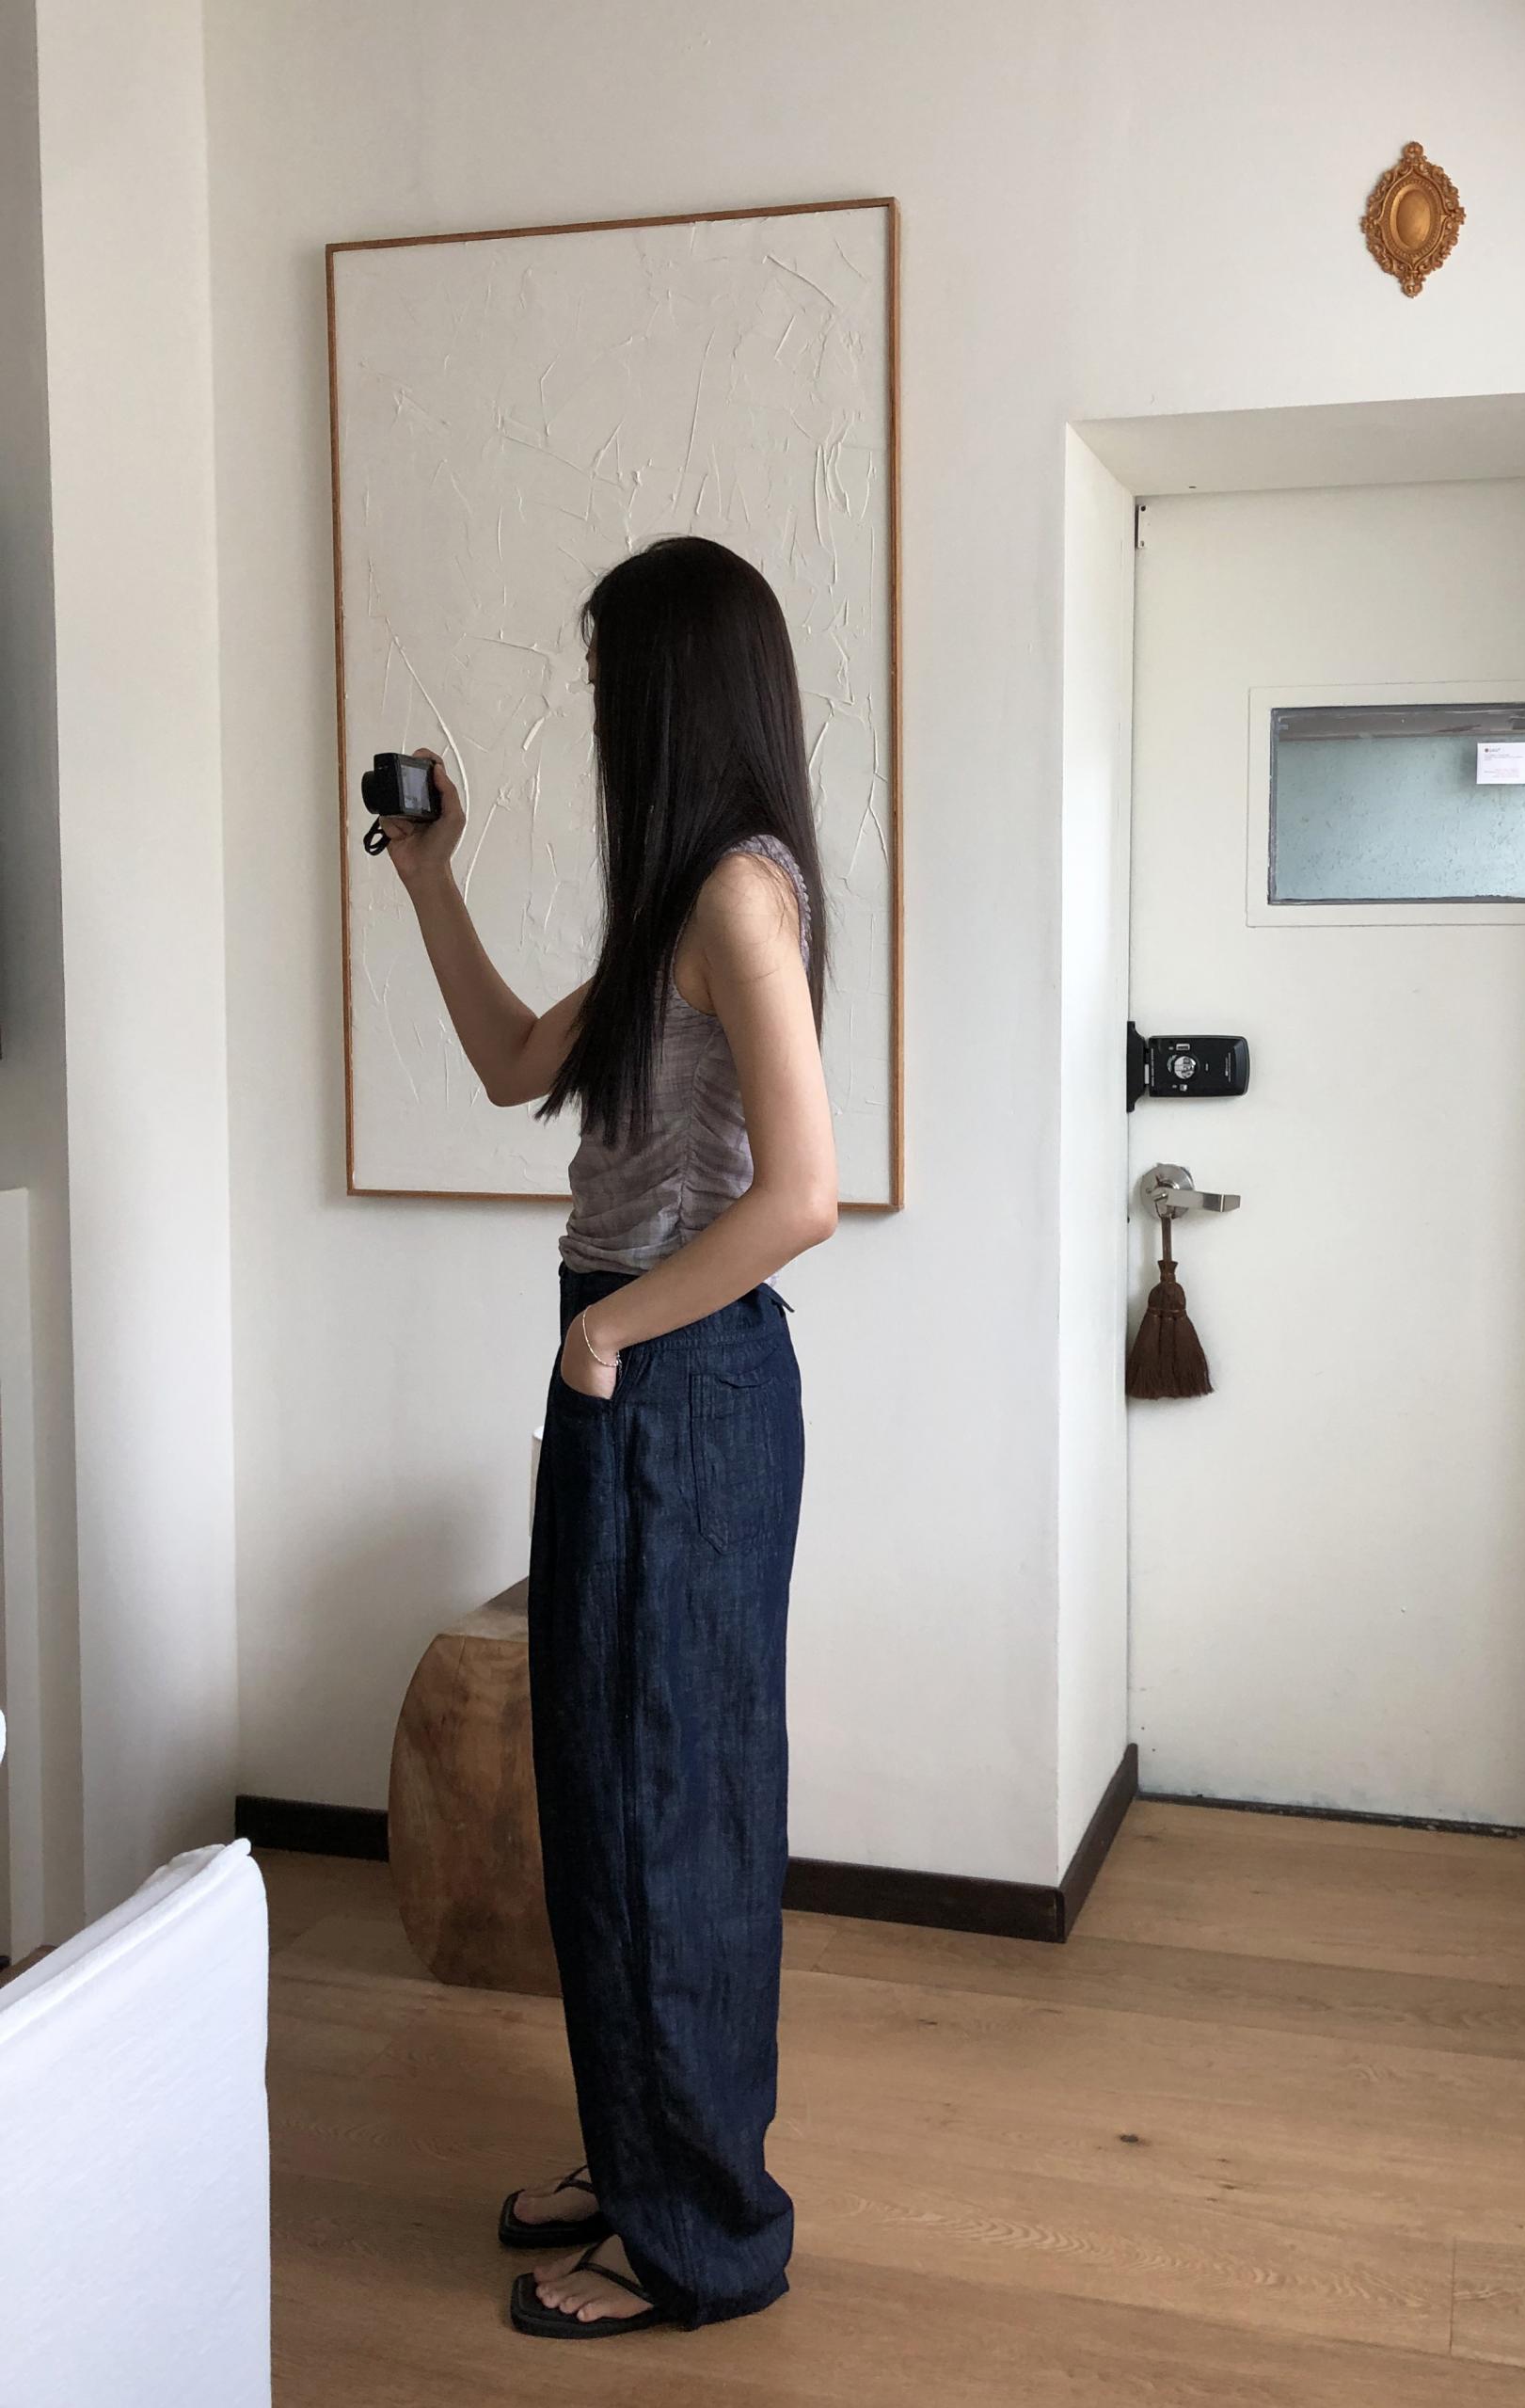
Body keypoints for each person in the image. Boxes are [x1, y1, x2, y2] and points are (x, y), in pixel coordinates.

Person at [375, 534, 838, 2341]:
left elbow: (802, 1194)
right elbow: (511, 1064)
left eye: (605, 683)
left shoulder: (734, 895)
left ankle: (699, 2236)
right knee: (604, 1788)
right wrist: (431, 878)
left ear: (670, 691)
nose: (594, 717)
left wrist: (609, 1332)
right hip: (637, 1369)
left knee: (672, 1808)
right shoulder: (678, 904)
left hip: (678, 1377)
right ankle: (641, 2153)